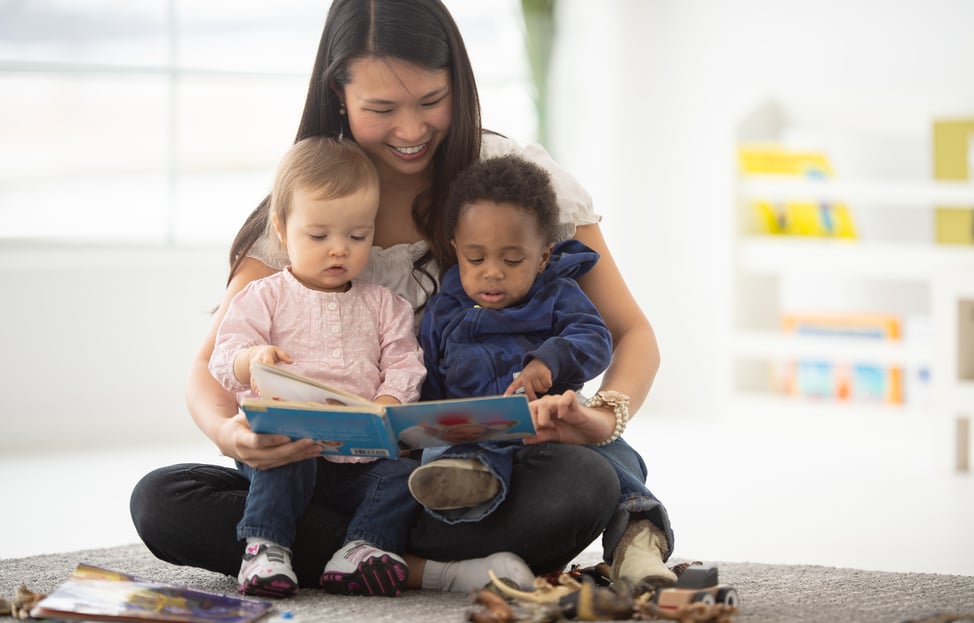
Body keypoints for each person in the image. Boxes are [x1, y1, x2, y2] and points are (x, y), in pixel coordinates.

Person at [130, 0, 675, 594]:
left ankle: (340, 549)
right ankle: (416, 566)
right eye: (381, 109)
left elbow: (632, 333)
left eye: (431, 102)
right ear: (339, 93)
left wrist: (605, 415)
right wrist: (228, 435)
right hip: (327, 471)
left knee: (583, 483)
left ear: (459, 85)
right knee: (164, 501)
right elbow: (210, 366)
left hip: (473, 472)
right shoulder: (312, 199)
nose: (411, 130)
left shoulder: (514, 181)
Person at [208, 136, 428, 598]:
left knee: (403, 477)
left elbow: (405, 363)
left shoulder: (385, 305)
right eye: (319, 235)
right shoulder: (263, 296)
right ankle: (266, 547)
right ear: (282, 230)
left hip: (359, 459)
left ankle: (361, 550)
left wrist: (388, 404)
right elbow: (224, 357)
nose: (339, 250)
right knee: (272, 467)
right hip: (285, 450)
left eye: (357, 236)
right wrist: (252, 361)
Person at [408, 154, 613, 524]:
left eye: (513, 261)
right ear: (456, 249)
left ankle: (638, 521)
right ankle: (461, 490)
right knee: (447, 451)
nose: (492, 273)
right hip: (470, 427)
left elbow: (595, 338)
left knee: (612, 457)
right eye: (475, 258)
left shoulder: (557, 295)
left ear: (543, 257)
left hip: (545, 427)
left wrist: (548, 359)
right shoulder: (444, 309)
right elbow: (430, 380)